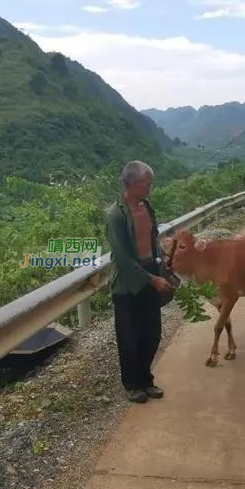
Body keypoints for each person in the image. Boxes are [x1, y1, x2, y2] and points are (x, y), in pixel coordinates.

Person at [105, 161, 173, 403]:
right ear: (133, 185)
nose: (150, 189)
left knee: (152, 333)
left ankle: (146, 378)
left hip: (150, 272)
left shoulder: (146, 207)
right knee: (129, 337)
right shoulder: (115, 215)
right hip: (126, 283)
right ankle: (132, 384)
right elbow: (122, 259)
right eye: (147, 184)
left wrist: (160, 259)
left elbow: (152, 239)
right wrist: (152, 279)